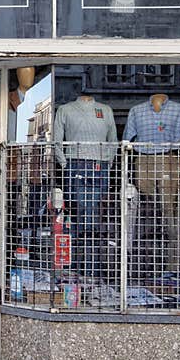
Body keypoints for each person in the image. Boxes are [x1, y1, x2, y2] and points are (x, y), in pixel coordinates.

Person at [123, 93, 180, 270]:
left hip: (168, 160)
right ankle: (139, 264)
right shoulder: (136, 111)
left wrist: (179, 165)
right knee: (144, 209)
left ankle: (173, 266)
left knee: (171, 213)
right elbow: (126, 141)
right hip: (143, 160)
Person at [53, 92, 118, 277]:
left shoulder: (106, 110)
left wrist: (107, 162)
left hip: (99, 165)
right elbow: (56, 140)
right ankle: (80, 266)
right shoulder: (65, 109)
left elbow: (113, 141)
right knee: (77, 215)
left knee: (93, 215)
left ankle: (89, 267)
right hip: (76, 163)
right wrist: (65, 163)